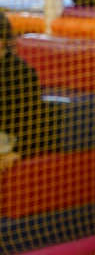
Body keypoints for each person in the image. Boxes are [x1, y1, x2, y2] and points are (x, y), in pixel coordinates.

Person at [0, 11, 60, 169]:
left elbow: (33, 117)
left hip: (7, 137)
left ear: (2, 40)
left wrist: (19, 151)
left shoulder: (21, 71)